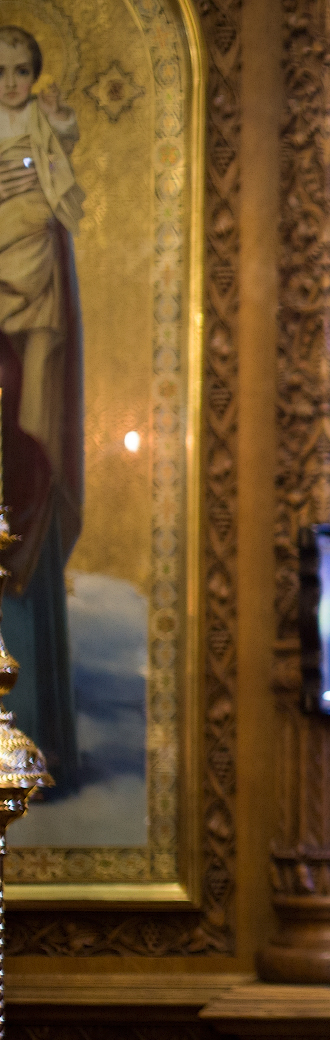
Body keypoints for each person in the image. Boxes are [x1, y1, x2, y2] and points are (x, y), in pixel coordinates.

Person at [0, 24, 83, 789]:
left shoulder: (41, 127)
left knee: (26, 448)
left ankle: (34, 735)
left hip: (32, 303)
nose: (11, 83)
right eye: (1, 71)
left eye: (22, 70)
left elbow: (60, 181)